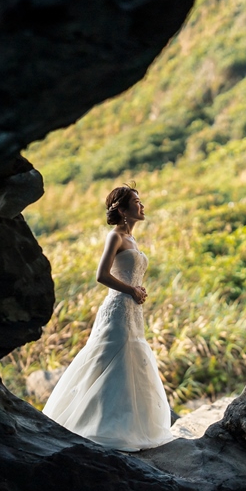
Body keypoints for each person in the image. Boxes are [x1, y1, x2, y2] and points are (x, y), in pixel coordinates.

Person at [42, 184, 173, 451]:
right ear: (123, 209)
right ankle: (96, 425)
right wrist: (131, 289)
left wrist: (137, 290)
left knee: (131, 362)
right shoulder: (115, 237)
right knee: (110, 361)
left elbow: (129, 274)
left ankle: (130, 427)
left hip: (133, 311)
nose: (142, 205)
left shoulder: (133, 240)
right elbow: (101, 275)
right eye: (136, 201)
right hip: (117, 309)